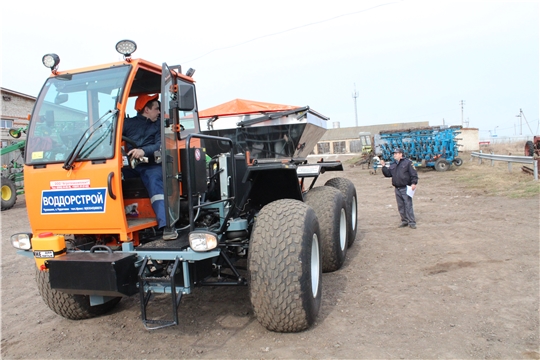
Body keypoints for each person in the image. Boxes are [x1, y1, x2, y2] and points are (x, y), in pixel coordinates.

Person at [122, 94, 178, 240]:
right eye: (156, 109)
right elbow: (111, 138)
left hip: (152, 165)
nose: (159, 112)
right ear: (146, 109)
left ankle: (167, 226)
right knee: (114, 176)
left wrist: (143, 151)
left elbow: (160, 145)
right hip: (133, 166)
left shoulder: (159, 124)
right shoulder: (127, 124)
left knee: (154, 179)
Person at [380, 148, 418, 229]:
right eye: (394, 153)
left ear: (401, 154)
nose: (395, 155)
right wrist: (383, 166)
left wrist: (414, 183)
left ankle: (411, 221)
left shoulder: (408, 163)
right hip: (397, 188)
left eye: (396, 153)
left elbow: (413, 173)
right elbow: (388, 174)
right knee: (400, 206)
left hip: (406, 187)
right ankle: (404, 220)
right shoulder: (393, 164)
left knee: (408, 205)